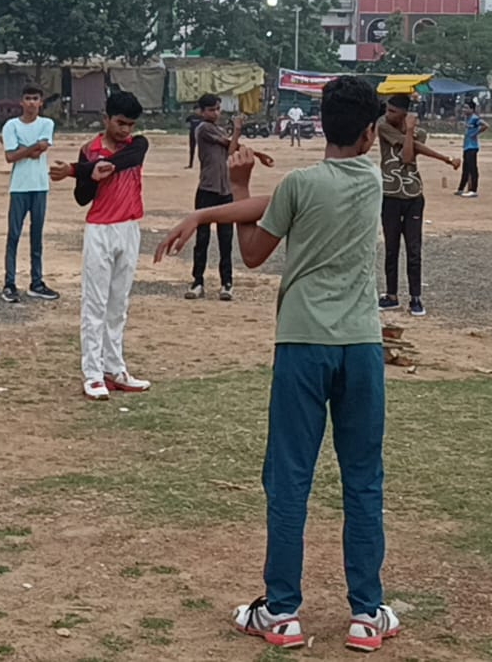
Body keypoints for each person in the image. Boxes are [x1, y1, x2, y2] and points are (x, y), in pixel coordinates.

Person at [154, 76, 400, 654]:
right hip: (360, 347)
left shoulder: (299, 184)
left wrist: (227, 194)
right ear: (370, 134)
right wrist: (214, 213)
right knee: (363, 480)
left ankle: (281, 611)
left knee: (289, 479)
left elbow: (255, 251)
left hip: (301, 346)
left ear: (320, 125)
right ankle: (368, 614)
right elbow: (284, 202)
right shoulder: (372, 177)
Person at [50, 91, 152, 400]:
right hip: (100, 230)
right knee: (95, 304)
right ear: (105, 118)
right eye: (120, 123)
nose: (125, 131)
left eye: (130, 125)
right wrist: (87, 174)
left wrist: (74, 170)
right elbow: (82, 197)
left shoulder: (137, 145)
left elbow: (128, 160)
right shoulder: (89, 149)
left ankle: (114, 368)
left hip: (130, 227)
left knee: (118, 304)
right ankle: (93, 373)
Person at [376, 94, 459, 316]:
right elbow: (406, 156)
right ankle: (391, 295)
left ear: (404, 113)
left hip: (413, 196)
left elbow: (413, 152)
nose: (387, 114)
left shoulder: (419, 133)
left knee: (414, 249)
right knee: (391, 248)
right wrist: (446, 159)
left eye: (393, 111)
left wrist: (412, 132)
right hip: (391, 195)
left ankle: (415, 298)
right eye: (387, 109)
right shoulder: (383, 127)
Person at [1, 84, 59, 303]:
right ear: (21, 102)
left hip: (40, 185)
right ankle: (9, 283)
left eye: (35, 98)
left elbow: (40, 148)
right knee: (13, 235)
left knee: (37, 235)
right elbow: (10, 157)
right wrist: (31, 148)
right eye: (28, 98)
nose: (32, 103)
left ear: (41, 102)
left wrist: (23, 149)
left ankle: (37, 281)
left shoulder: (47, 123)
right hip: (19, 186)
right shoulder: (11, 125)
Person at [187, 94, 241, 301]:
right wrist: (236, 131)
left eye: (218, 109)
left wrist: (236, 133)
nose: (216, 113)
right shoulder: (204, 128)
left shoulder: (217, 129)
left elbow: (232, 151)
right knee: (202, 238)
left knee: (225, 239)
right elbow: (230, 146)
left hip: (225, 190)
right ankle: (197, 281)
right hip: (207, 189)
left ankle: (226, 283)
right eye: (211, 110)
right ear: (202, 112)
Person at [458, 99, 485, 198]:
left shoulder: (474, 118)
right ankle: (461, 188)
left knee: (472, 168)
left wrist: (476, 133)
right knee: (465, 168)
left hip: (472, 147)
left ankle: (473, 189)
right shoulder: (467, 119)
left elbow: (485, 125)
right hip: (467, 147)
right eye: (463, 107)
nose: (464, 110)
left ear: (472, 109)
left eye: (466, 108)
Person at [184, 103, 203, 169]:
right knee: (192, 150)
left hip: (200, 136)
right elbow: (186, 123)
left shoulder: (202, 117)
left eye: (199, 109)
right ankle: (190, 164)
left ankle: (203, 164)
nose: (198, 111)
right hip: (192, 135)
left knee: (202, 151)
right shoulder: (191, 117)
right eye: (196, 110)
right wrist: (189, 127)